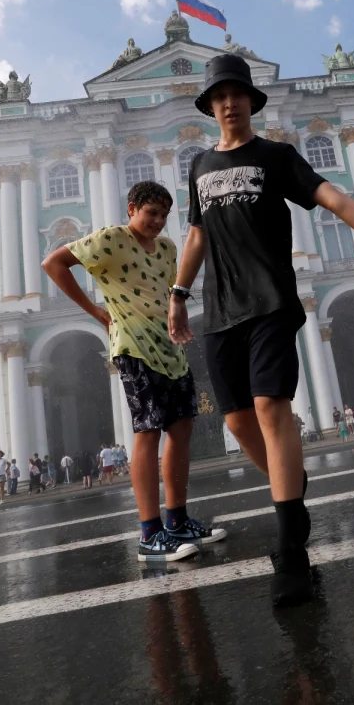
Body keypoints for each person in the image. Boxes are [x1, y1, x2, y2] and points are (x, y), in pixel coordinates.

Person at [167, 54, 354, 605]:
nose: (229, 102)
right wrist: (177, 294)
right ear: (210, 108)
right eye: (219, 96)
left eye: (237, 93)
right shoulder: (198, 166)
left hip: (271, 302)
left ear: (250, 100)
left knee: (271, 408)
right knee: (239, 423)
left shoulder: (276, 156)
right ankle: (292, 490)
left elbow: (334, 199)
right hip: (220, 311)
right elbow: (196, 236)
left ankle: (291, 551)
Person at [43, 179, 226, 564]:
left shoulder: (167, 249)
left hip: (169, 346)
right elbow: (53, 263)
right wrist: (94, 312)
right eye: (150, 213)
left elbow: (165, 295)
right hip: (132, 346)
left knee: (182, 428)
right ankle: (149, 534)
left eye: (163, 214)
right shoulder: (110, 239)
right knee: (148, 431)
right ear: (132, 210)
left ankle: (177, 522)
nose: (157, 221)